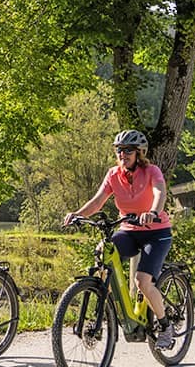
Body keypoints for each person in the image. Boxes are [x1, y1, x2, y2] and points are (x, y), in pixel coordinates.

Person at [64, 129, 175, 350]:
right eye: (119, 150)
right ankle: (112, 311)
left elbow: (159, 192)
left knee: (142, 282)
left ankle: (165, 325)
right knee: (102, 254)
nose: (122, 154)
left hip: (156, 232)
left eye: (127, 150)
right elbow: (97, 202)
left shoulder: (152, 171)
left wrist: (152, 211)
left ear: (139, 153)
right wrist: (77, 214)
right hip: (129, 230)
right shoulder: (114, 174)